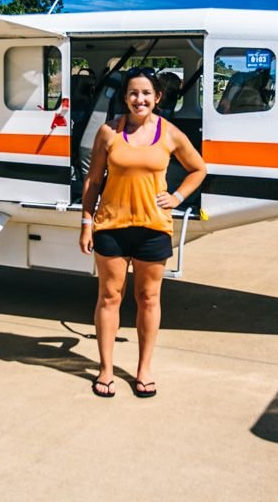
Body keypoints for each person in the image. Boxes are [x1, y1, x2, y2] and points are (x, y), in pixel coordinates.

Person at [79, 66, 207, 398]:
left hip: (153, 228)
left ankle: (144, 369)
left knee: (148, 300)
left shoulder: (169, 133)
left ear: (158, 97)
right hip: (111, 226)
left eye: (147, 93)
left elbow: (199, 168)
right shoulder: (108, 132)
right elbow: (93, 180)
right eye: (133, 93)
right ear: (125, 97)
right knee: (109, 298)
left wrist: (178, 196)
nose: (140, 99)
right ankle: (105, 368)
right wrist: (86, 222)